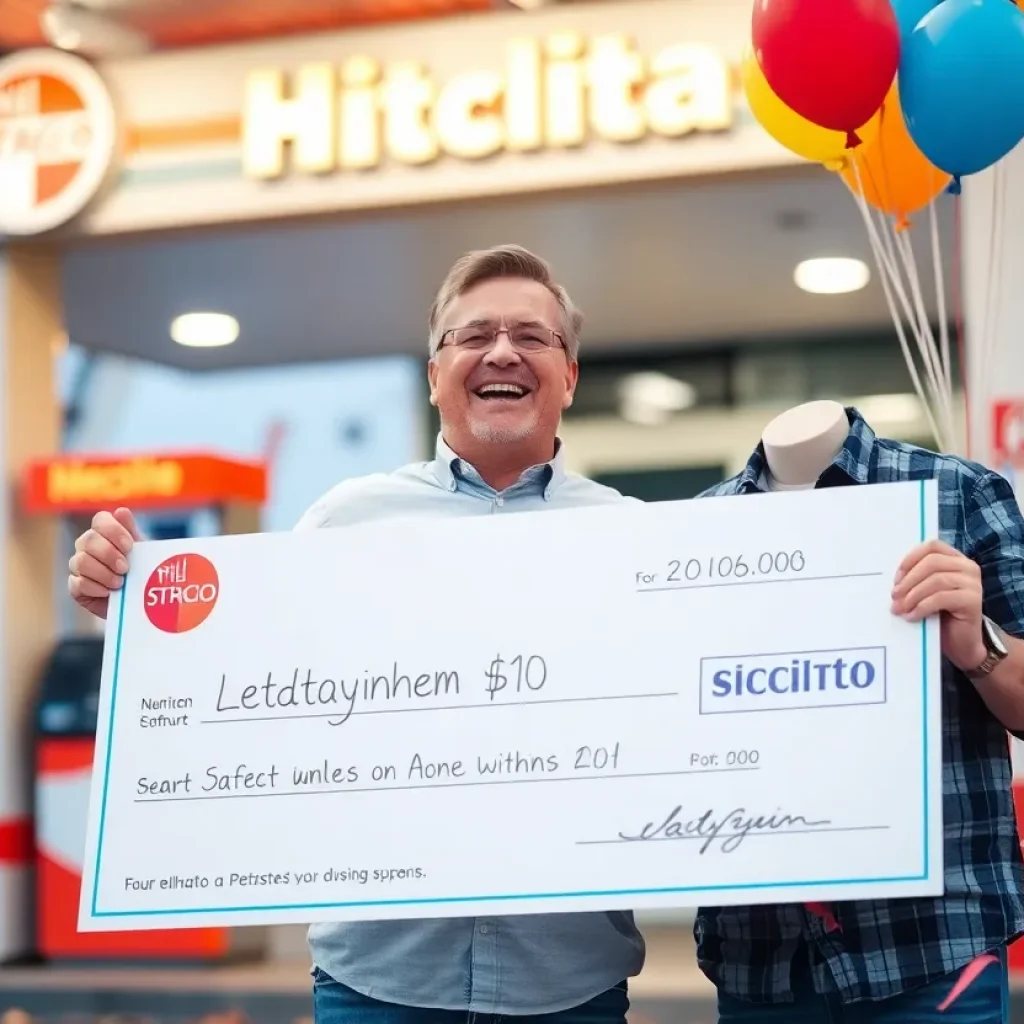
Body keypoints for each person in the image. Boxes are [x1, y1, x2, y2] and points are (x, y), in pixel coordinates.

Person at [66, 244, 645, 1024]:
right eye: (473, 335)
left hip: (569, 982)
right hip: (378, 981)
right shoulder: (344, 521)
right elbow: (236, 681)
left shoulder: (635, 541)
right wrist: (135, 616)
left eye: (532, 337)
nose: (501, 351)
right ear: (435, 372)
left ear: (569, 375)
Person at [695, 407, 1024, 1023]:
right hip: (761, 955)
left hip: (931, 944)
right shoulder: (698, 528)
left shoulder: (957, 492)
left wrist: (976, 643)